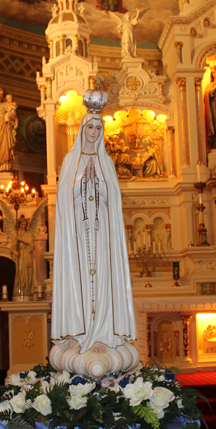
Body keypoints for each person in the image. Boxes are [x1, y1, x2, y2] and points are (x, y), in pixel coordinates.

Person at [50, 89, 138, 377]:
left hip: (101, 238)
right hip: (77, 237)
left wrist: (98, 186)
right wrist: (78, 187)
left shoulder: (107, 163)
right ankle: (76, 333)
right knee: (77, 280)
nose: (94, 131)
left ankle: (101, 334)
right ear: (82, 129)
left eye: (99, 128)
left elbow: (114, 198)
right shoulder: (69, 161)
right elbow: (62, 199)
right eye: (90, 126)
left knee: (102, 282)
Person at [11, 218, 34, 298]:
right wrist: (14, 251)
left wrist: (21, 239)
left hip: (26, 254)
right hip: (20, 254)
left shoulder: (28, 234)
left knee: (27, 272)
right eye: (22, 224)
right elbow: (12, 247)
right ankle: (19, 288)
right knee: (20, 271)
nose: (24, 226)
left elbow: (30, 243)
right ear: (19, 225)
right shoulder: (16, 235)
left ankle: (26, 288)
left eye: (25, 224)